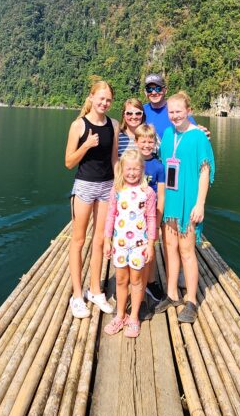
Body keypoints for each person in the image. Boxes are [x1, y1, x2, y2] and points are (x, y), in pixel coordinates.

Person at [156, 91, 215, 325]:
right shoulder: (168, 134)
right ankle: (172, 294)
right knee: (170, 247)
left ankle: (191, 300)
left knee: (187, 251)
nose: (174, 116)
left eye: (179, 111)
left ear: (189, 111)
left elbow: (205, 171)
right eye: (171, 112)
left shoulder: (199, 136)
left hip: (189, 200)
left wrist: (200, 204)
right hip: (170, 199)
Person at [65, 80, 119, 318]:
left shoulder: (113, 125)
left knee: (99, 240)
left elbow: (114, 158)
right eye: (101, 98)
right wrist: (86, 145)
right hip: (85, 187)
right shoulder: (79, 125)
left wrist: (118, 186)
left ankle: (95, 290)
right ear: (91, 97)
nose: (104, 103)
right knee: (78, 241)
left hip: (107, 187)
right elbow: (68, 162)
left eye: (108, 100)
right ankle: (77, 295)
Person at [102, 147, 157, 338]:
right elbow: (110, 216)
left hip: (139, 245)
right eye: (128, 169)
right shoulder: (117, 190)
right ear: (122, 169)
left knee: (136, 280)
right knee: (121, 279)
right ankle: (120, 315)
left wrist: (151, 244)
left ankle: (134, 317)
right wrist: (107, 240)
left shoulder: (147, 192)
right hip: (120, 243)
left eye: (136, 169)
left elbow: (151, 218)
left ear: (142, 169)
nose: (132, 173)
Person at [134, 122, 165, 305]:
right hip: (132, 217)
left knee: (149, 249)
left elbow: (161, 195)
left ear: (154, 143)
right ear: (136, 142)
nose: (146, 145)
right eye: (143, 141)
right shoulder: (130, 162)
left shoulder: (159, 166)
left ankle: (150, 282)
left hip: (150, 216)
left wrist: (158, 222)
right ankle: (133, 283)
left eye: (150, 142)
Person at [142, 73, 199, 139]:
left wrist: (201, 132)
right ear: (145, 92)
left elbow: (193, 130)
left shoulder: (176, 109)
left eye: (158, 88)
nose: (154, 92)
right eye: (149, 89)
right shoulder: (140, 111)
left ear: (165, 90)